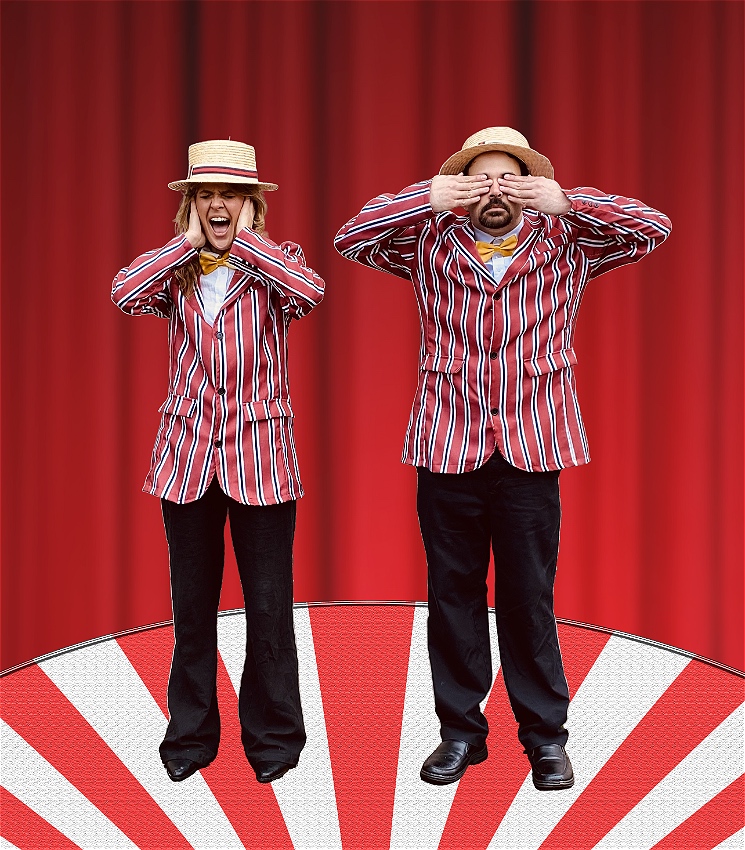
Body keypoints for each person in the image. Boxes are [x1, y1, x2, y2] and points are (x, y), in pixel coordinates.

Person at [334, 127, 671, 790]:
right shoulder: (427, 239)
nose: (494, 191)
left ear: (529, 186)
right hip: (445, 445)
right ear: (461, 189)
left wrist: (567, 200)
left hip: (531, 446)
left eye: (508, 179)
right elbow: (352, 237)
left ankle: (544, 739)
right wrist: (424, 196)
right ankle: (459, 735)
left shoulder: (568, 243)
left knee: (528, 597)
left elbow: (652, 227)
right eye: (480, 180)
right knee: (452, 596)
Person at [112, 139, 324, 784]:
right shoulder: (171, 270)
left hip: (262, 461)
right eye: (205, 195)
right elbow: (125, 294)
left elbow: (307, 294)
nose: (217, 205)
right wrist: (189, 244)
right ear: (191, 204)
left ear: (250, 204)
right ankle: (190, 738)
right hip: (186, 460)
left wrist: (246, 245)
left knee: (267, 607)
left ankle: (275, 740)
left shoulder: (278, 263)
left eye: (229, 195)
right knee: (192, 607)